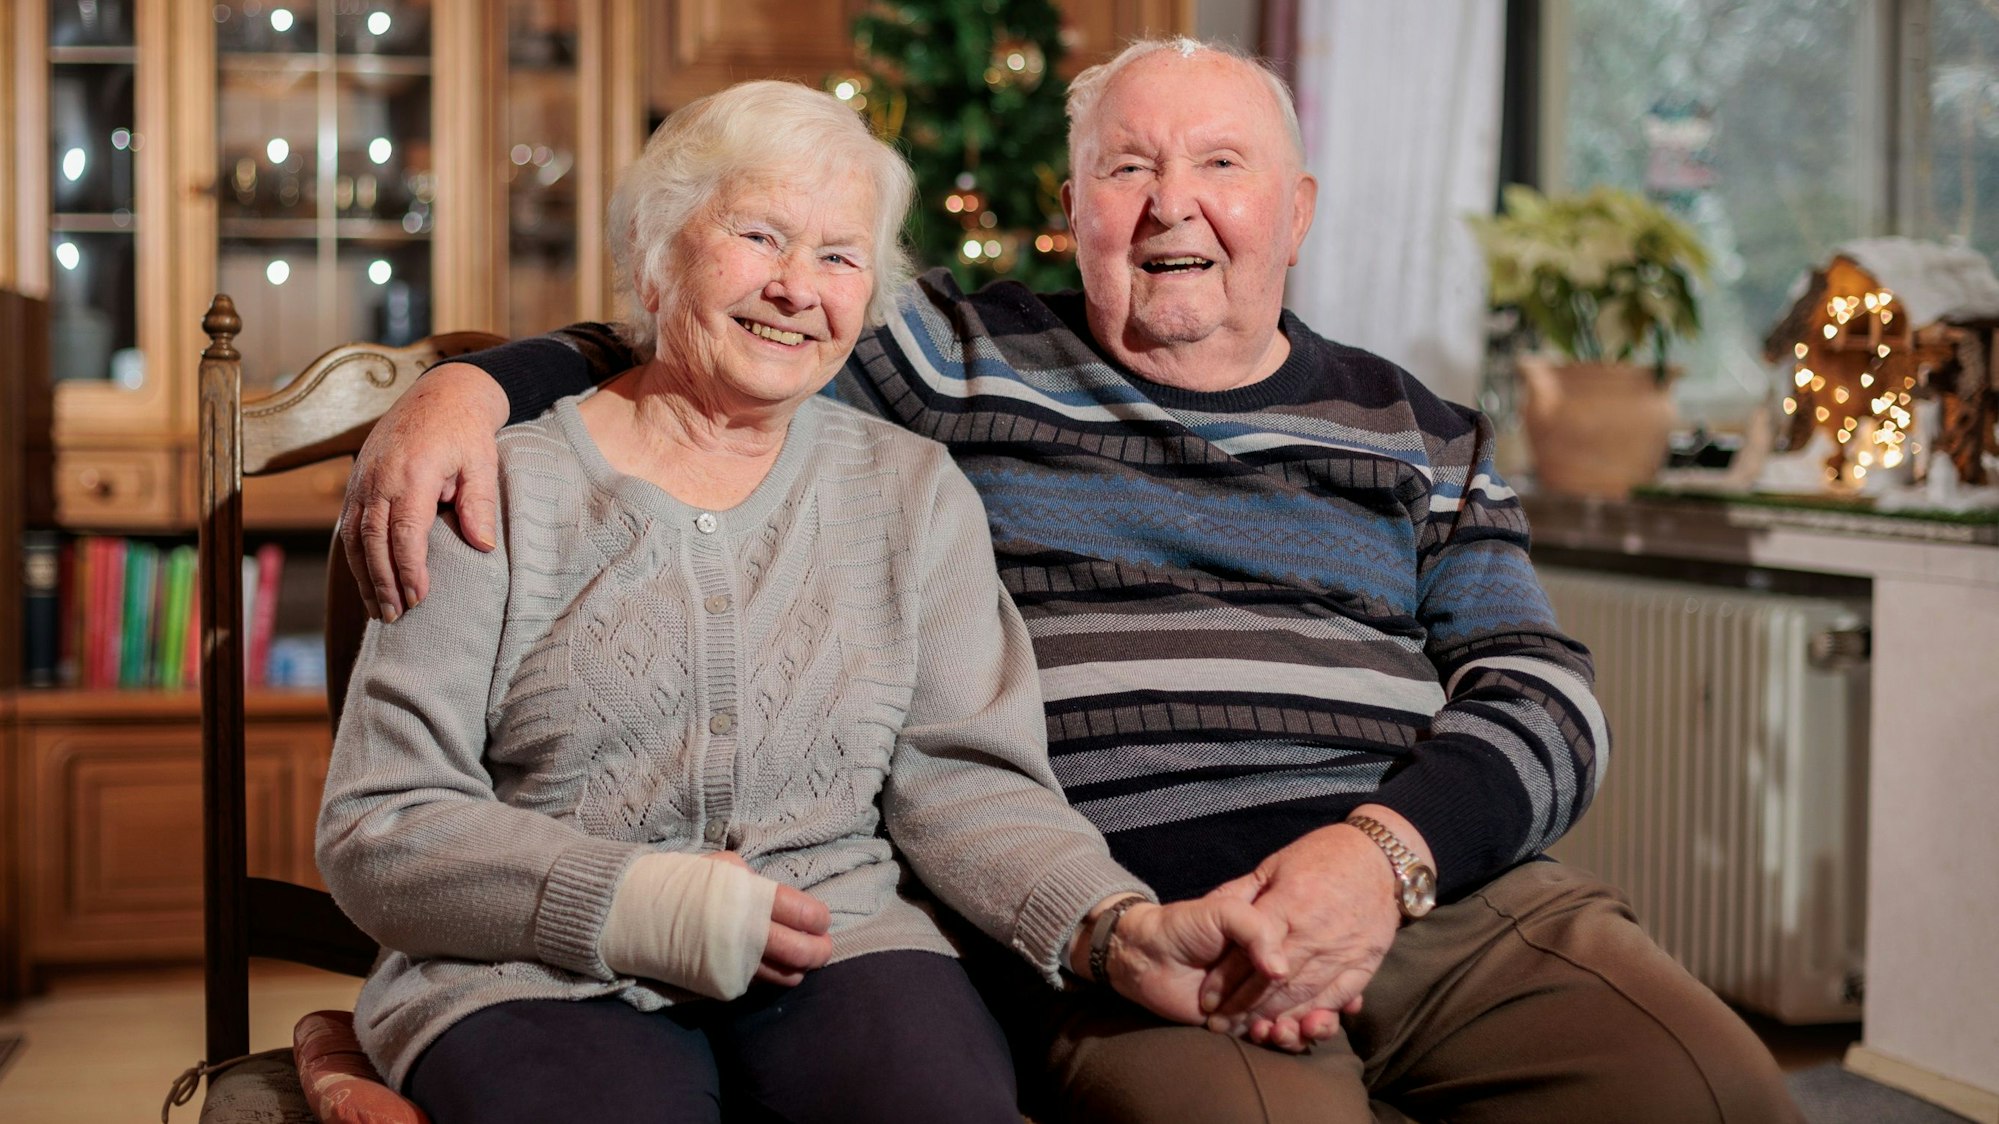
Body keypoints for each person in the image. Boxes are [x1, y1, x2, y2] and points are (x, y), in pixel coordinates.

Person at [339, 39, 1806, 1124]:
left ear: (1293, 208)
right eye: (1127, 167)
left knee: (1715, 1097)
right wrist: (471, 393)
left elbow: (1537, 686)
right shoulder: (953, 363)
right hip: (1149, 898)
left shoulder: (1416, 427)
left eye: (1219, 166)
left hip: (1432, 886)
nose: (1174, 205)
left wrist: (1387, 855)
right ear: (1072, 209)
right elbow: (714, 328)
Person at [315, 78, 1294, 1124]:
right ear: (657, 254)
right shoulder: (493, 488)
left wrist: (1113, 927)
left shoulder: (910, 490)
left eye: (838, 255)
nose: (795, 287)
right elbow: (383, 825)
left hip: (844, 937)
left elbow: (969, 783)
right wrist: (639, 901)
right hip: (526, 966)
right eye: (758, 234)